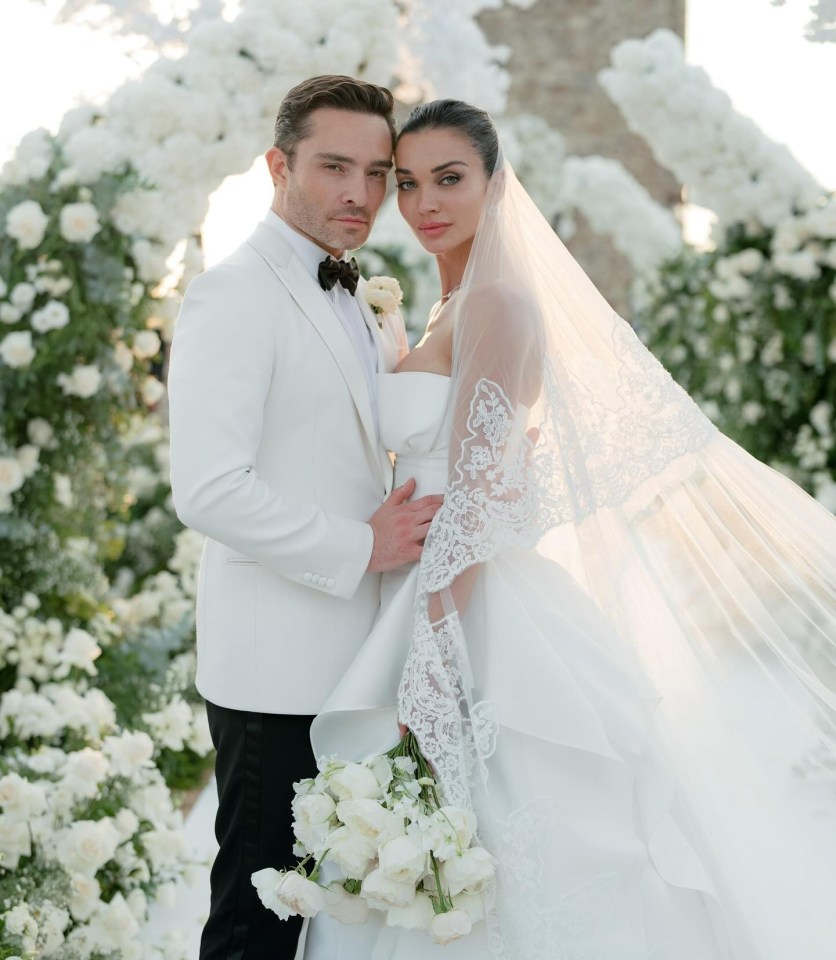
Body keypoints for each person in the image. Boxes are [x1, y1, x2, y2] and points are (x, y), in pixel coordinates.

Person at [301, 101, 836, 959]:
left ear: (495, 184)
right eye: (406, 183)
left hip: (467, 601)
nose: (425, 202)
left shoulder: (502, 304)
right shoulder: (449, 308)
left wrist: (432, 655)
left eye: (449, 179)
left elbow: (476, 503)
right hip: (419, 577)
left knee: (508, 832)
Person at [166, 76, 444, 960]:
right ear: (278, 165)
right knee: (258, 917)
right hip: (274, 667)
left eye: (375, 170)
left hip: (356, 660)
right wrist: (362, 546)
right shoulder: (234, 294)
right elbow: (209, 488)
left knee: (326, 905)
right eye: (332, 167)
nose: (359, 193)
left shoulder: (360, 295)